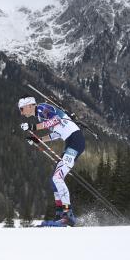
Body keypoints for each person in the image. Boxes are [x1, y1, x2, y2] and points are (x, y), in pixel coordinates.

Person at [18, 96, 85, 227]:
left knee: (57, 177)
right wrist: (38, 140)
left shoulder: (43, 108)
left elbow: (56, 120)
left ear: (30, 105)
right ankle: (60, 214)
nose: (21, 112)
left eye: (21, 108)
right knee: (54, 180)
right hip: (70, 142)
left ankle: (68, 214)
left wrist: (33, 127)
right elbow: (57, 133)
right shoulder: (40, 117)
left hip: (76, 141)